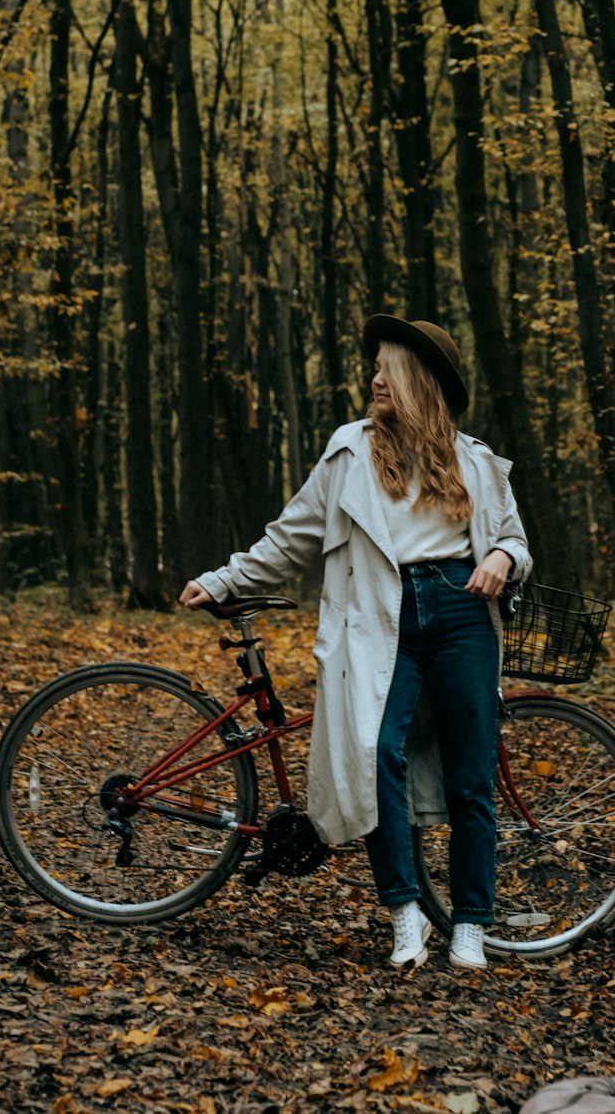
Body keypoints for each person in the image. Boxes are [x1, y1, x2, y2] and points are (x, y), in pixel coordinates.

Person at [179, 315, 532, 970]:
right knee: (376, 756)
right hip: (382, 615)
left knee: (471, 774)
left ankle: (471, 927)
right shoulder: (349, 453)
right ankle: (404, 915)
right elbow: (290, 539)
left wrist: (503, 561)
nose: (374, 378)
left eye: (387, 368)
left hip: (462, 612)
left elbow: (515, 540)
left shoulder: (477, 462)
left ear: (423, 381)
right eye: (372, 366)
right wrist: (223, 579)